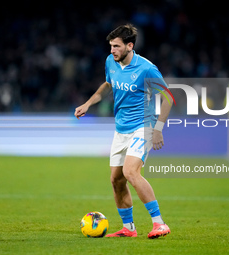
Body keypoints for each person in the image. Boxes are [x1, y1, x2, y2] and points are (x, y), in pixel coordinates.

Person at [74, 24, 173, 238]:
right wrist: (88, 103)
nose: (112, 50)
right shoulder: (111, 61)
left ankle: (159, 224)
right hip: (121, 129)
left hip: (143, 127)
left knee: (130, 172)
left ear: (130, 46)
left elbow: (168, 98)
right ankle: (129, 228)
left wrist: (158, 129)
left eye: (116, 46)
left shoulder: (146, 68)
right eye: (110, 46)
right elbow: (108, 85)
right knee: (116, 179)